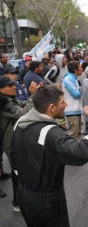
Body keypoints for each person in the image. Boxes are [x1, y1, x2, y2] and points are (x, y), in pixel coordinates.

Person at [11, 85, 88, 227]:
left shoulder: (20, 122)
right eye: (63, 102)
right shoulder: (51, 133)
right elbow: (82, 152)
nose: (66, 105)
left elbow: (13, 156)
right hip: (46, 202)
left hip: (24, 195)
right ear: (52, 108)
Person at [0, 76, 38, 212]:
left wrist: (33, 95)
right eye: (11, 86)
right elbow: (23, 113)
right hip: (9, 142)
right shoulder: (3, 102)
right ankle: (17, 202)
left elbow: (23, 104)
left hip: (13, 139)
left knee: (20, 170)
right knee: (18, 171)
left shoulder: (9, 99)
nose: (15, 87)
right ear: (2, 89)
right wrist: (33, 95)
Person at [62, 60, 83, 138]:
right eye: (80, 67)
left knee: (78, 134)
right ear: (75, 70)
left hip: (76, 110)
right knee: (73, 136)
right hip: (71, 110)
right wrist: (83, 88)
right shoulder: (68, 79)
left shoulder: (74, 78)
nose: (82, 69)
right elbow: (76, 94)